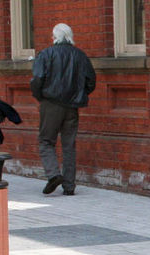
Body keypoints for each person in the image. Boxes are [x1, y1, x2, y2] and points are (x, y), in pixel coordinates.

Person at [31, 23, 95, 196]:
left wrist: (40, 96)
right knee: (69, 144)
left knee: (46, 140)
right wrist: (79, 93)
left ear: (54, 37)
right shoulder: (80, 55)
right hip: (72, 105)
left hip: (50, 102)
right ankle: (69, 185)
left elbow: (37, 79)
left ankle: (53, 174)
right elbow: (91, 81)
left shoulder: (46, 54)